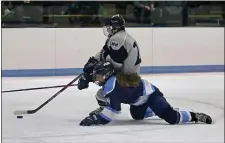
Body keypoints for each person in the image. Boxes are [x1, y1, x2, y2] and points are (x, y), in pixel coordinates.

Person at [79, 61, 212, 126]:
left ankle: (195, 116)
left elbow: (113, 112)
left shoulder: (111, 86)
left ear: (106, 75)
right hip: (138, 101)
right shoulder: (111, 81)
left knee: (172, 118)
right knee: (137, 116)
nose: (96, 78)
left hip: (151, 95)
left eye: (98, 76)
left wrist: (96, 119)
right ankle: (160, 110)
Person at [77, 14, 142, 116]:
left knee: (101, 95)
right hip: (133, 77)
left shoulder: (117, 39)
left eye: (109, 27)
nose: (108, 30)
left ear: (115, 27)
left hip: (127, 79)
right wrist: (93, 61)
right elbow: (104, 52)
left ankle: (108, 110)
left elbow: (115, 65)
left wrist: (89, 76)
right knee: (137, 114)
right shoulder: (120, 36)